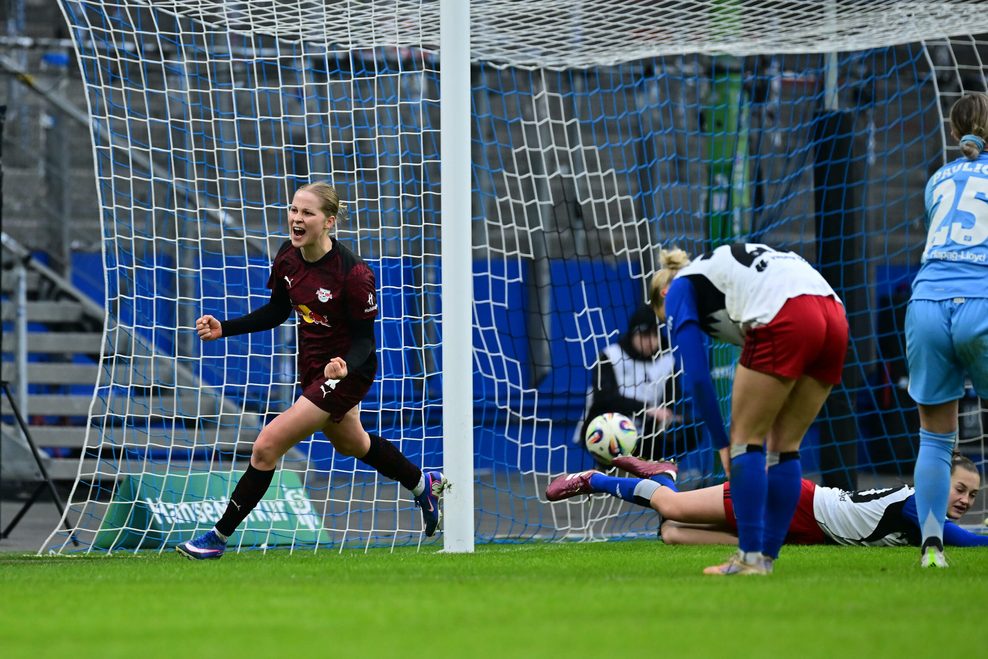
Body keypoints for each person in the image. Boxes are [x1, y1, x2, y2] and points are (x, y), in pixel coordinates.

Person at [177, 182, 448, 560]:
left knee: (266, 445)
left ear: (329, 222)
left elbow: (365, 342)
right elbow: (276, 311)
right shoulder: (288, 256)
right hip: (313, 366)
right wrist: (226, 327)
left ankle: (217, 538)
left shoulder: (354, 275)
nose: (296, 219)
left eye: (307, 213)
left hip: (347, 371)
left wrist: (343, 367)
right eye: (293, 210)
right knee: (351, 442)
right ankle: (423, 483)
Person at [648, 243, 848, 575]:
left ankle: (750, 558)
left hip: (785, 313)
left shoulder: (680, 288)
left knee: (745, 441)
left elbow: (696, 377)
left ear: (665, 294)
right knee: (785, 447)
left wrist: (722, 443)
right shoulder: (723, 274)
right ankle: (765, 559)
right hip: (834, 314)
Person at [545, 453, 987, 548]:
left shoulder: (922, 513)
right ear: (935, 479)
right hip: (794, 502)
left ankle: (663, 474)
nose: (966, 499)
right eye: (960, 488)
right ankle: (596, 478)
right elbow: (970, 545)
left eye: (973, 494)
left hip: (807, 533)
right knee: (672, 509)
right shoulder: (918, 506)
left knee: (674, 534)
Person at [905, 92, 988, 569]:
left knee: (935, 439)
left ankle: (931, 548)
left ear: (954, 133)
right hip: (980, 298)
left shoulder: (937, 179)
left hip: (927, 302)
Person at [577, 303, 700, 463]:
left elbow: (673, 398)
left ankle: (661, 468)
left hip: (649, 432)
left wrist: (671, 416)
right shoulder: (610, 356)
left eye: (654, 335)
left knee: (691, 429)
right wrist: (646, 409)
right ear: (633, 334)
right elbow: (605, 399)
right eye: (644, 335)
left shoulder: (667, 360)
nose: (650, 341)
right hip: (608, 427)